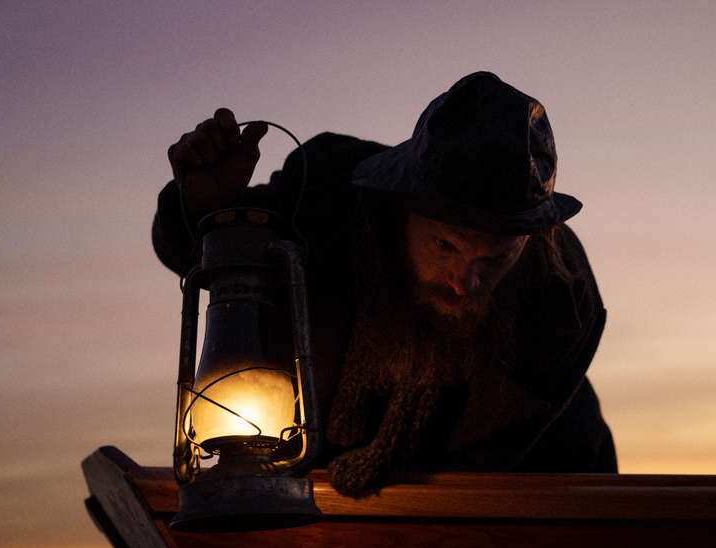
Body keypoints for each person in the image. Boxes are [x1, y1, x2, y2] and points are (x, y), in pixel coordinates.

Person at [153, 71, 615, 496]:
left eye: (495, 258)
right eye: (445, 246)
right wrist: (203, 209)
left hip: (518, 498)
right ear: (401, 209)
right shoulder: (323, 205)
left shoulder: (558, 309)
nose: (466, 282)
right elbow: (211, 262)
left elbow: (527, 484)